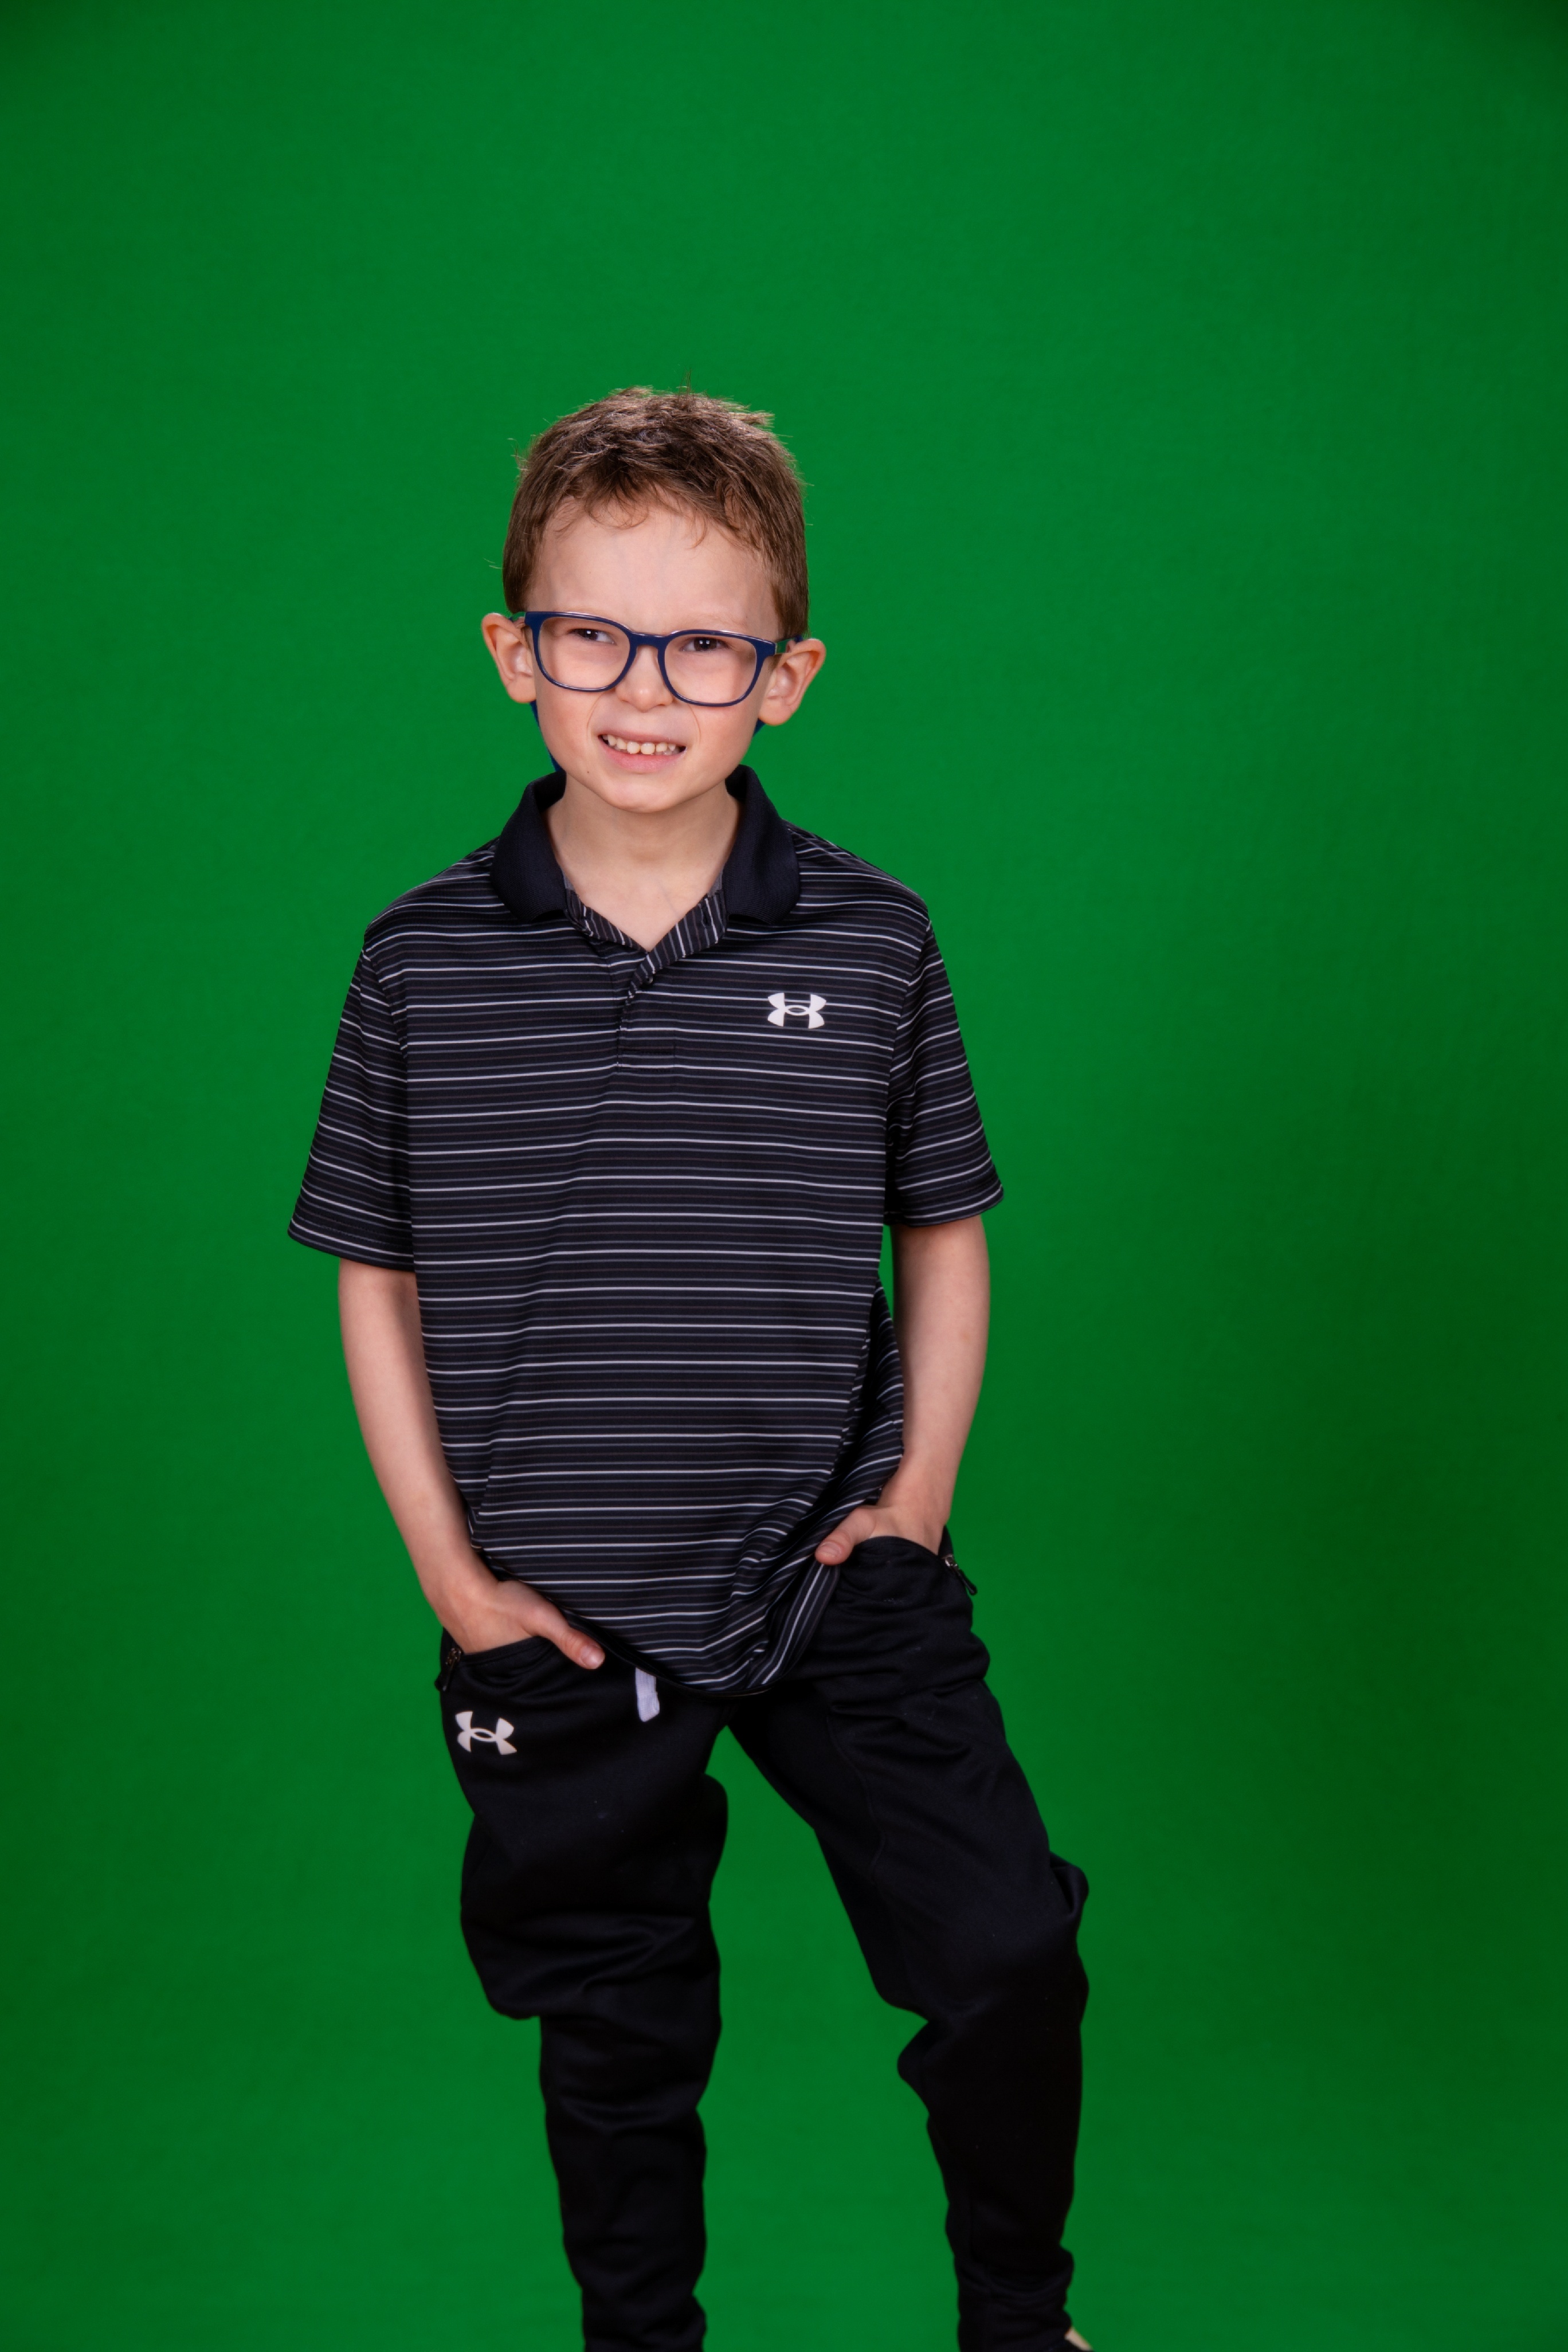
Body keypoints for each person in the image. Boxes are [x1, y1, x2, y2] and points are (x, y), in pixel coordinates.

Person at [289, 387, 1091, 2352]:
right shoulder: (419, 961)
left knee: (1006, 1951)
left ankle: (1020, 2322)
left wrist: (914, 1505)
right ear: (517, 653)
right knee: (618, 2038)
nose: (645, 690)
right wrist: (452, 1577)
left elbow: (944, 1230)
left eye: (705, 647)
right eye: (594, 635)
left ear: (784, 679)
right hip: (561, 1608)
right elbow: (377, 1273)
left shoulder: (876, 939)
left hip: (833, 1572)